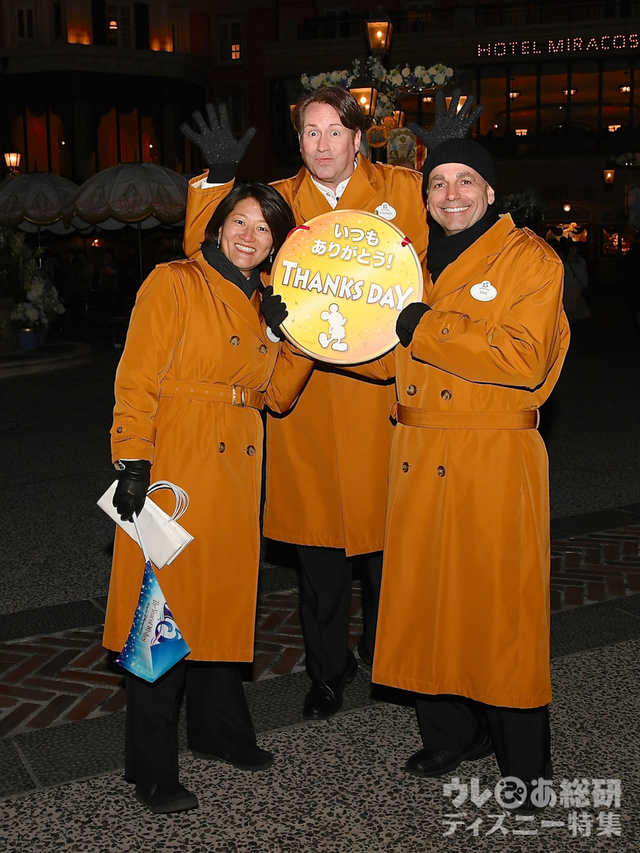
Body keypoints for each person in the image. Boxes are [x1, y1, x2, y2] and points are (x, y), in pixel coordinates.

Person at [181, 91, 479, 721]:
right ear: (300, 142)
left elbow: (460, 231)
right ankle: (325, 672)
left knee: (389, 552)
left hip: (384, 400)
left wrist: (442, 159)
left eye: (335, 132)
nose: (322, 145)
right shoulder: (280, 201)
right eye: (310, 133)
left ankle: (388, 657)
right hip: (306, 400)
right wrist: (217, 181)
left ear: (359, 137)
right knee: (319, 559)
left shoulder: (404, 188)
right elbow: (210, 249)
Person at [346, 138, 569, 813]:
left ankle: (524, 767)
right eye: (438, 182)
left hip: (492, 458)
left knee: (499, 612)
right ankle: (450, 733)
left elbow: (523, 358)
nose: (450, 194)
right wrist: (312, 332)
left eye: (466, 180)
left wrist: (427, 325)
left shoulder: (530, 258)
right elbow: (387, 356)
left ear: (491, 191)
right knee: (427, 603)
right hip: (418, 455)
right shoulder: (408, 264)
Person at [102, 183, 313, 814]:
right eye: (239, 221)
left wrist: (291, 339)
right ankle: (150, 766)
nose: (249, 236)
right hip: (179, 462)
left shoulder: (263, 305)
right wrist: (132, 456)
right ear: (217, 225)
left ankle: (221, 733)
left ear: (276, 242)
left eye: (264, 228)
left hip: (238, 464)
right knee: (160, 613)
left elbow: (277, 397)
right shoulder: (174, 281)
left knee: (222, 602)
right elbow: (137, 375)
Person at [561, 239, 590, 321]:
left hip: (576, 286)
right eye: (572, 248)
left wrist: (584, 285)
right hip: (567, 286)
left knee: (575, 304)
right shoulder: (565, 261)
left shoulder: (581, 262)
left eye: (575, 248)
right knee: (568, 304)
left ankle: (574, 319)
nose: (573, 250)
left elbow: (584, 273)